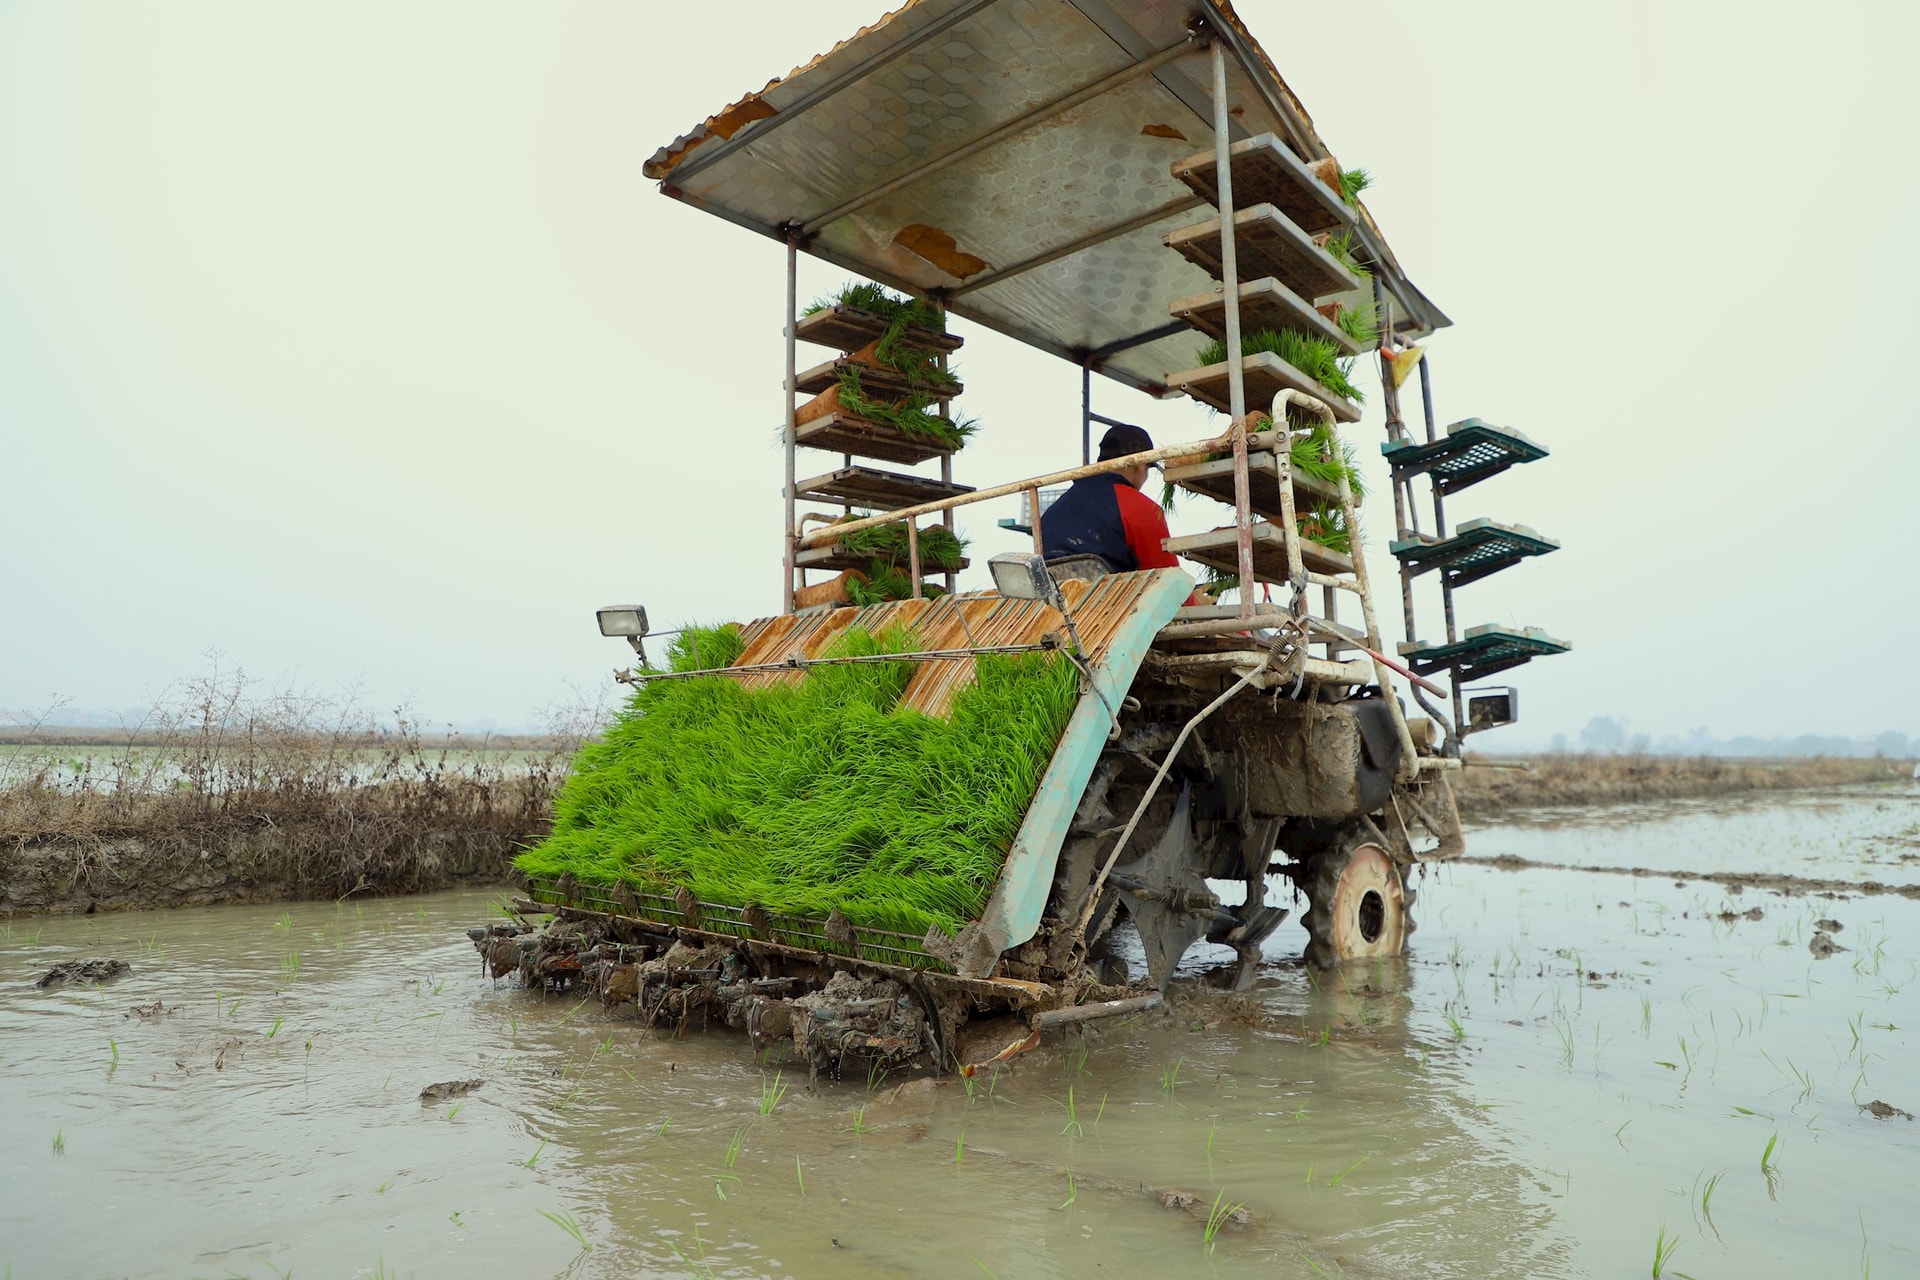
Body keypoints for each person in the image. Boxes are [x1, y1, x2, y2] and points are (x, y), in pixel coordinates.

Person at [1040, 424, 1180, 572]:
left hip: (1057, 593)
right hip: (1113, 593)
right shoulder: (1141, 509)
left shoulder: (1050, 514)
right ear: (1139, 465)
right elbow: (1168, 578)